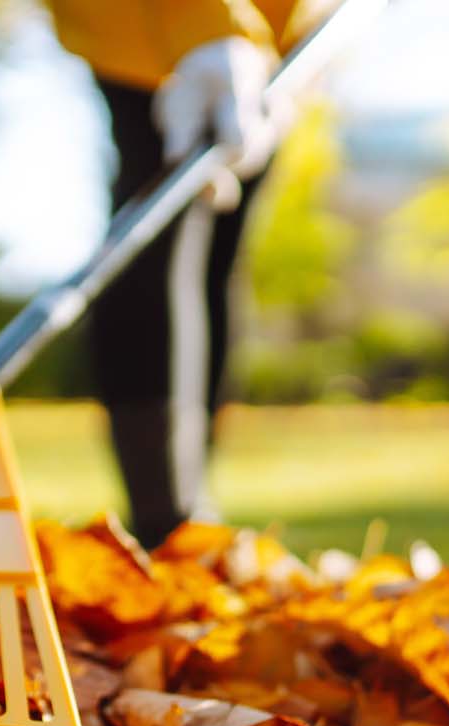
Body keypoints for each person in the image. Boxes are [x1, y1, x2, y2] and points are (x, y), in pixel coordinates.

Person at [42, 1, 323, 547]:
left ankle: (191, 520)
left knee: (222, 244)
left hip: (287, 38)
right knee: (156, 232)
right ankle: (165, 520)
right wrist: (208, 24)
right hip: (148, 33)